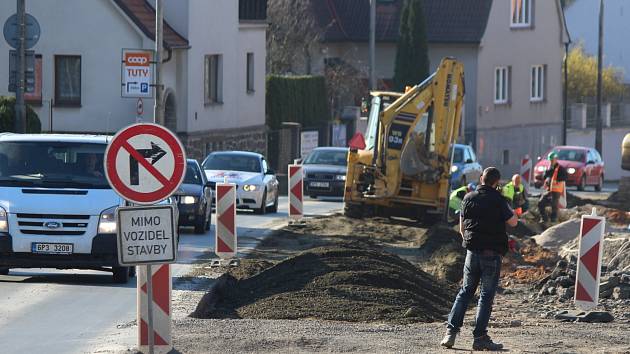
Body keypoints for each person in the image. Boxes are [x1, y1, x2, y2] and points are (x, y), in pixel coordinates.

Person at [440, 167, 518, 351]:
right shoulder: (499, 200)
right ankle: (480, 338)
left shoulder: (468, 198)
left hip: (472, 252)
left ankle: (450, 333)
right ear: (496, 183)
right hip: (491, 255)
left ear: (481, 179)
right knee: (486, 296)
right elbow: (513, 222)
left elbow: (461, 228)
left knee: (465, 291)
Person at [537, 152, 567, 223]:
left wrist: (558, 179)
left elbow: (565, 177)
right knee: (541, 203)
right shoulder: (550, 168)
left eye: (552, 160)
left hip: (556, 190)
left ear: (556, 159)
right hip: (549, 190)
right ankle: (544, 218)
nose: (551, 161)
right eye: (550, 160)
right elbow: (545, 176)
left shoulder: (561, 169)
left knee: (554, 204)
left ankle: (554, 219)